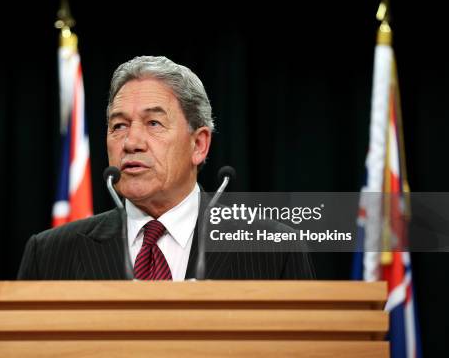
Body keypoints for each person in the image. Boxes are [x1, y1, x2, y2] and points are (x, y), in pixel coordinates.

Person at [18, 56, 314, 280]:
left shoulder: (275, 250)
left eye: (153, 123)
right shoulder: (48, 254)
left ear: (199, 145)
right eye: (119, 126)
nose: (131, 142)